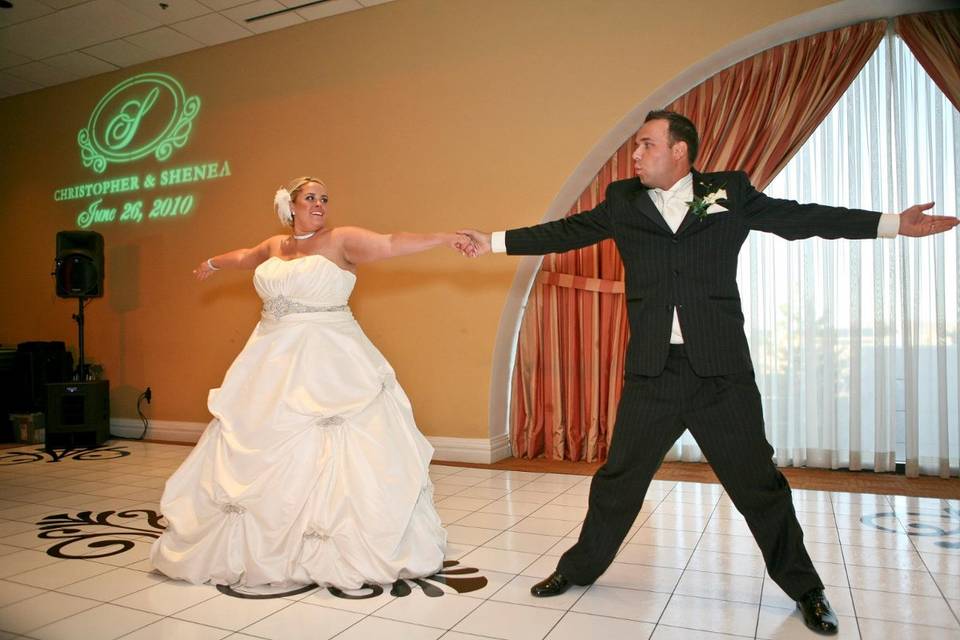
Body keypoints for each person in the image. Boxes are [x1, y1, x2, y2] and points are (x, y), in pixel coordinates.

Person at [458, 110, 958, 636]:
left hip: (721, 374)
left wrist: (891, 224)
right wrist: (490, 241)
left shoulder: (729, 192)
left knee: (758, 486)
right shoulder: (623, 201)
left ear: (679, 151)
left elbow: (800, 217)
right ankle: (578, 569)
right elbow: (564, 232)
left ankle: (807, 589)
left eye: (646, 144)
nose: (634, 155)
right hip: (654, 373)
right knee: (618, 482)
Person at [152, 176, 467, 592]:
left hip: (328, 357)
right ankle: (259, 544)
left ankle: (333, 543)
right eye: (310, 198)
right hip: (269, 357)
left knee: (333, 443)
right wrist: (213, 262)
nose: (319, 204)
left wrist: (444, 238)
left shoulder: (341, 240)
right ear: (291, 206)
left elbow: (390, 243)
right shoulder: (274, 246)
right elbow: (246, 257)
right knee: (256, 438)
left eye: (324, 198)